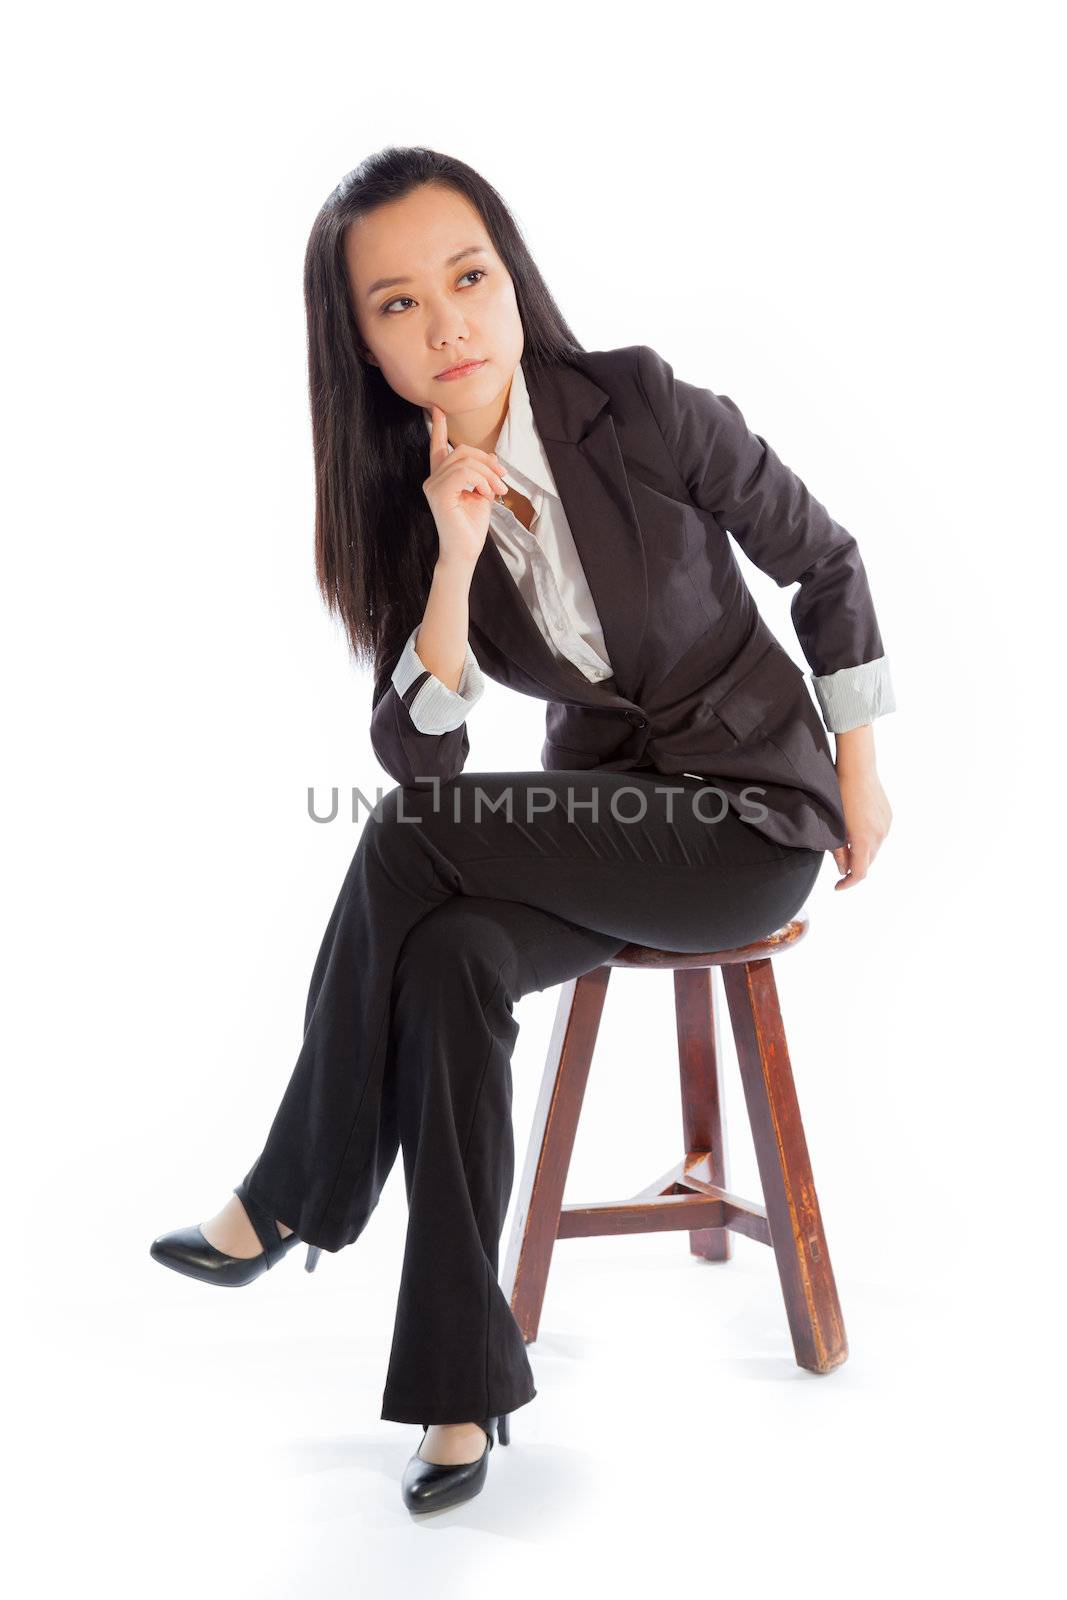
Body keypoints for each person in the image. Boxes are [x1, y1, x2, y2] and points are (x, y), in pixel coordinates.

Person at [149, 145, 896, 1516]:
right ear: (359, 347)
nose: (446, 323)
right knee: (446, 961)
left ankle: (292, 1188)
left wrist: (860, 769)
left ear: (512, 274)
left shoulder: (639, 402)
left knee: (402, 847)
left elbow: (825, 557)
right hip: (614, 829)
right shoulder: (405, 505)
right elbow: (419, 746)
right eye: (396, 304)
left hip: (747, 819)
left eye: (468, 275)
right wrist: (449, 554)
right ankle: (458, 1394)